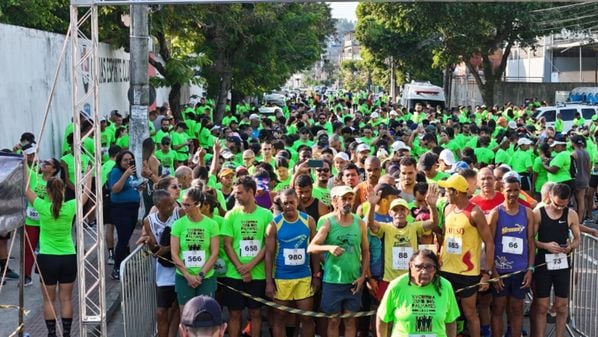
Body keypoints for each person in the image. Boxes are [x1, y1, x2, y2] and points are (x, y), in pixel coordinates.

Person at [25, 173, 91, 337]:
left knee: (49, 300)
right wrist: (89, 173)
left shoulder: (42, 206)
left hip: (47, 258)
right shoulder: (70, 206)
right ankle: (67, 334)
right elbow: (87, 192)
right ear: (63, 191)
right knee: (66, 299)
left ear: (47, 191)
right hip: (68, 257)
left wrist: (24, 166)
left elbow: (26, 189)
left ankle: (52, 334)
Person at [308, 185, 370, 337]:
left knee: (350, 321)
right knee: (333, 321)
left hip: (354, 281)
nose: (347, 202)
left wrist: (363, 277)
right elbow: (311, 247)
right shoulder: (328, 222)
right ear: (335, 201)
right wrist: (328, 247)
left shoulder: (359, 223)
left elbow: (366, 251)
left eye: (350, 198)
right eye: (344, 199)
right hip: (333, 280)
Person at [438, 174, 495, 337]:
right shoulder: (447, 209)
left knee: (470, 314)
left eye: (447, 191)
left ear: (456, 192)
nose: (445, 194)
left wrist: (487, 273)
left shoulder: (475, 212)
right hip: (446, 270)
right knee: (446, 314)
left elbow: (489, 243)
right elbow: (444, 237)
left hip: (467, 273)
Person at [365, 184, 439, 301]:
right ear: (390, 213)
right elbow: (370, 224)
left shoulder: (414, 227)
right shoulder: (386, 228)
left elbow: (434, 223)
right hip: (389, 279)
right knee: (385, 314)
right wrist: (372, 205)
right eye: (395, 210)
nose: (399, 213)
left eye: (402, 209)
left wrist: (433, 206)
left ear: (408, 212)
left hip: (410, 278)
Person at [220, 177, 274, 337]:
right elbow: (227, 244)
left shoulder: (266, 214)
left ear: (251, 192)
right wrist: (241, 268)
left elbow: (267, 244)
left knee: (255, 313)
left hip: (257, 274)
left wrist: (250, 266)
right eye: (235, 193)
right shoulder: (231, 215)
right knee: (234, 314)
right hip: (233, 274)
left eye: (239, 193)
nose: (235, 196)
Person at [265, 188, 320, 337]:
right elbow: (268, 254)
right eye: (285, 203)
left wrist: (316, 275)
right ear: (280, 204)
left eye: (291, 202)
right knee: (279, 318)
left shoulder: (308, 221)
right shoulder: (274, 224)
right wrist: (269, 282)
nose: (288, 206)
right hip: (282, 278)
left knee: (307, 317)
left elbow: (314, 250)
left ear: (297, 201)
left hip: (304, 276)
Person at [530, 183, 581, 337]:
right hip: (543, 264)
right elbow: (530, 239)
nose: (560, 208)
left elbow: (578, 238)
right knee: (541, 306)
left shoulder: (571, 214)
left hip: (562, 264)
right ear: (550, 196)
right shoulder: (538, 213)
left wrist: (570, 247)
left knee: (562, 306)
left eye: (563, 205)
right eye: (557, 204)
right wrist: (545, 245)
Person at [488, 174, 535, 337]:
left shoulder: (527, 213)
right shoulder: (496, 213)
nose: (513, 194)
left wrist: (530, 269)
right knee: (498, 309)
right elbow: (489, 244)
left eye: (516, 190)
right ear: (502, 190)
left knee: (517, 310)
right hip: (500, 271)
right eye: (509, 190)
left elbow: (531, 243)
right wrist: (493, 272)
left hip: (520, 271)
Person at [376, 250, 460, 337]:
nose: (424, 272)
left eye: (429, 267)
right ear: (411, 267)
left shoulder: (445, 286)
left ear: (435, 269)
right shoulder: (397, 285)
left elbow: (450, 321)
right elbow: (382, 318)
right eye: (418, 267)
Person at [138, 189, 182, 337]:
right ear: (158, 205)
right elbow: (156, 250)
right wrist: (150, 243)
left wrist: (168, 248)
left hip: (182, 269)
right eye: (168, 205)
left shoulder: (179, 214)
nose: (172, 207)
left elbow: (185, 241)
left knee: (177, 308)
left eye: (173, 203)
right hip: (163, 271)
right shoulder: (149, 221)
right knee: (162, 311)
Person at [171, 188, 220, 306]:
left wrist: (201, 275)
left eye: (188, 205)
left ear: (198, 204)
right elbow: (174, 252)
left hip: (206, 276)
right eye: (183, 204)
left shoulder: (212, 224)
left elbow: (214, 253)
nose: (184, 208)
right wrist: (187, 275)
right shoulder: (178, 224)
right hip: (184, 276)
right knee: (186, 316)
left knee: (205, 315)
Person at [108, 150, 143, 280]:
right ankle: (117, 268)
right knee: (123, 239)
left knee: (126, 237)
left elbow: (131, 186)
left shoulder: (132, 172)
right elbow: (115, 189)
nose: (128, 162)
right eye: (125, 160)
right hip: (121, 209)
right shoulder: (116, 172)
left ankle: (125, 263)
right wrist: (125, 175)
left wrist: (139, 187)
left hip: (133, 208)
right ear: (119, 161)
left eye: (130, 160)